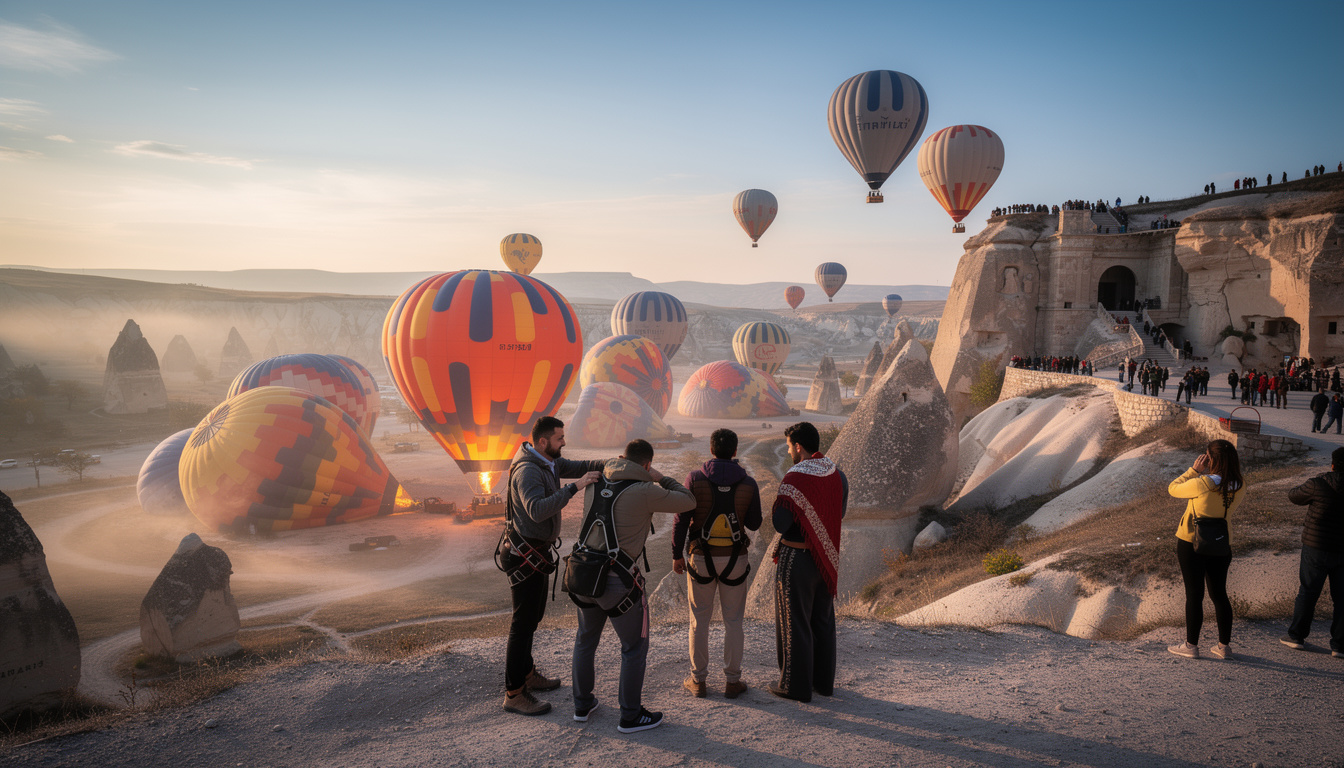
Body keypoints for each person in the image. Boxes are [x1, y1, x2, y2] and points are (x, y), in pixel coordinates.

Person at [571, 439, 695, 733]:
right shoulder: (645, 490)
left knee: (585, 640)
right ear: (647, 465)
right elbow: (688, 500)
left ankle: (582, 705)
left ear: (620, 457)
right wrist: (660, 477)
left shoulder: (595, 482)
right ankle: (630, 715)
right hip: (618, 582)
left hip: (583, 574)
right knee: (634, 647)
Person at [500, 417, 607, 716]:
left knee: (532, 619)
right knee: (522, 624)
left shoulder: (548, 462)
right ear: (544, 442)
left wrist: (616, 462)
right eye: (560, 438)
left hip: (535, 554)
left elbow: (581, 465)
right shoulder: (529, 470)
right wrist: (575, 488)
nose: (564, 442)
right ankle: (514, 693)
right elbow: (536, 510)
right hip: (524, 556)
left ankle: (526, 673)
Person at [672, 428, 762, 699]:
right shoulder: (748, 483)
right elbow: (754, 523)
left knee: (699, 621)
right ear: (735, 451)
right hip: (735, 559)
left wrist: (677, 554)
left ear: (711, 450)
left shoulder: (694, 479)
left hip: (700, 558)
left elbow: (681, 520)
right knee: (733, 621)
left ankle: (698, 680)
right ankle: (733, 681)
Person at [771, 422, 848, 702]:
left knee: (796, 621)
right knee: (823, 620)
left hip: (796, 558)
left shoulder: (795, 477)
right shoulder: (837, 474)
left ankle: (795, 687)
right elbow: (838, 513)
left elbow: (780, 524)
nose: (788, 452)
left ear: (798, 446)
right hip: (825, 558)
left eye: (789, 447)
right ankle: (823, 684)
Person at [1168, 440, 1246, 660]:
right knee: (1219, 594)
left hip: (1192, 541)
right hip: (1221, 542)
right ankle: (1224, 647)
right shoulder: (1240, 484)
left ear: (1211, 459)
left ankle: (1191, 645)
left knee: (1194, 595)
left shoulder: (1203, 483)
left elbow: (1173, 488)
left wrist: (1194, 470)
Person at [1281, 447, 1344, 657]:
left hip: (1316, 547)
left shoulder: (1318, 483)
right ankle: (1339, 645)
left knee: (1308, 591)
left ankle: (1296, 636)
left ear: (1332, 464)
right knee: (1342, 598)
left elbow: (1293, 496)